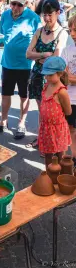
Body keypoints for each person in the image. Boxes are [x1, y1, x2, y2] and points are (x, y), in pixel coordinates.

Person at [0, 0, 41, 139]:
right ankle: (3, 121)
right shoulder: (5, 15)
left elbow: (39, 39)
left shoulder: (33, 18)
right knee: (5, 94)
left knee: (23, 96)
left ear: (25, 4)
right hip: (7, 63)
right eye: (13, 4)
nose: (15, 7)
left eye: (19, 5)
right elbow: (4, 33)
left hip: (25, 65)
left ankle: (21, 123)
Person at [26, 0, 68, 149]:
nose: (47, 18)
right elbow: (28, 54)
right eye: (45, 14)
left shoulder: (62, 33)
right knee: (42, 112)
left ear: (58, 13)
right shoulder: (39, 31)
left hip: (52, 80)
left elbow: (56, 59)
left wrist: (40, 54)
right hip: (37, 77)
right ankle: (42, 140)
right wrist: (44, 55)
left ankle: (56, 144)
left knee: (54, 113)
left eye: (50, 14)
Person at [38, 56, 72, 169]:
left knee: (60, 156)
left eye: (50, 75)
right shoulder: (46, 86)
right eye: (46, 74)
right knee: (48, 155)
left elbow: (68, 111)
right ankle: (49, 177)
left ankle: (61, 178)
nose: (47, 77)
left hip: (58, 129)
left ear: (60, 74)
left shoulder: (61, 92)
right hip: (46, 128)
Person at [61, 15, 76, 165]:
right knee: (70, 129)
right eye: (71, 30)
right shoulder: (67, 50)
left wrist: (71, 78)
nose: (72, 34)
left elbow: (68, 76)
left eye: (75, 30)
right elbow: (63, 76)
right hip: (70, 99)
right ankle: (72, 158)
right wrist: (69, 78)